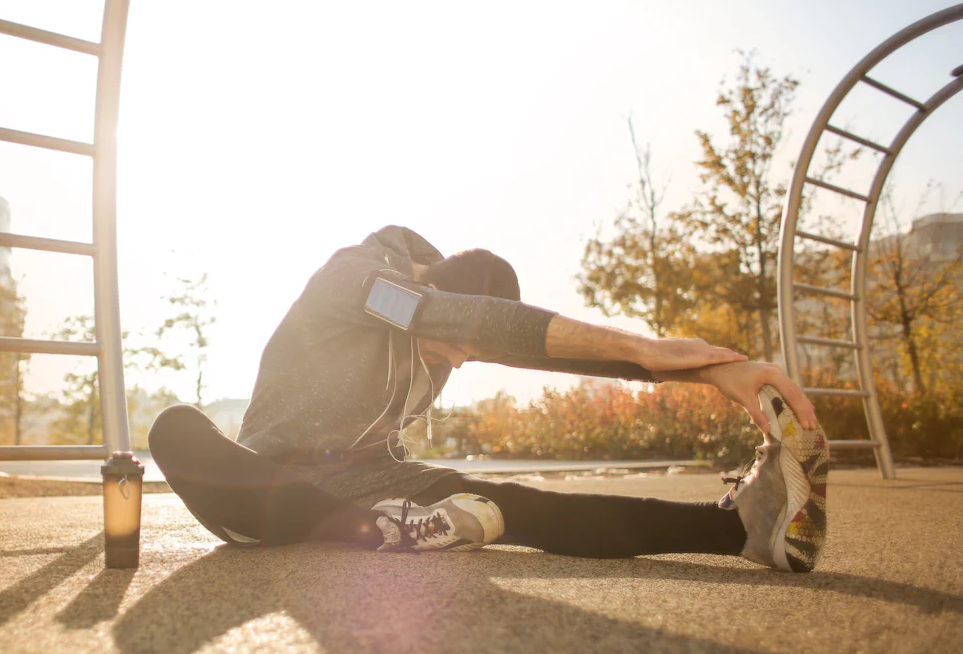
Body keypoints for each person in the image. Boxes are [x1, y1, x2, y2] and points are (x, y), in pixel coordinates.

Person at [148, 226, 829, 572]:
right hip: (263, 491)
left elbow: (530, 344)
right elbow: (459, 323)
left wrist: (709, 372)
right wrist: (648, 347)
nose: (461, 361)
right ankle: (381, 528)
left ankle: (740, 528)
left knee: (518, 502)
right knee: (175, 428)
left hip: (376, 484)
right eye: (461, 345)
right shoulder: (358, 279)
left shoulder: (443, 322)